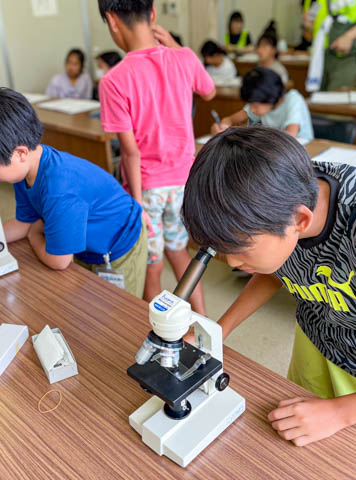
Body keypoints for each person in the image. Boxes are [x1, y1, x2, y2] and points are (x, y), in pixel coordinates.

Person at [182, 125, 356, 449]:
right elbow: (276, 266)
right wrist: (219, 331)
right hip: (316, 342)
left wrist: (340, 413)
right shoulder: (280, 200)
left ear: (300, 222)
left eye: (240, 250)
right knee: (302, 448)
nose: (230, 264)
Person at [0, 87, 147, 297]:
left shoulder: (60, 190)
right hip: (86, 242)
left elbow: (59, 261)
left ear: (19, 153)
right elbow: (24, 222)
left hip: (119, 246)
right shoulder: (27, 168)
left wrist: (34, 235)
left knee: (118, 312)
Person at [98, 0, 215, 315]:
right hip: (182, 182)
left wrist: (136, 202)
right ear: (152, 15)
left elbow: (130, 150)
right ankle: (203, 323)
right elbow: (209, 91)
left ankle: (157, 333)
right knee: (180, 253)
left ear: (111, 21)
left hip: (147, 187)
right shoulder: (184, 58)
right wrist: (179, 49)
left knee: (151, 263)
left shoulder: (114, 80)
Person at [211, 67, 313, 140]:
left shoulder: (294, 100)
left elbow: (289, 137)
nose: (252, 109)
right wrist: (223, 125)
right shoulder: (263, 104)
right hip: (278, 153)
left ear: (269, 96)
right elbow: (230, 119)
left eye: (254, 105)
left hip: (303, 153)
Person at [311, 0, 356, 91]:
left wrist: (348, 37)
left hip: (346, 55)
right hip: (320, 53)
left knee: (335, 97)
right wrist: (308, 23)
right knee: (317, 96)